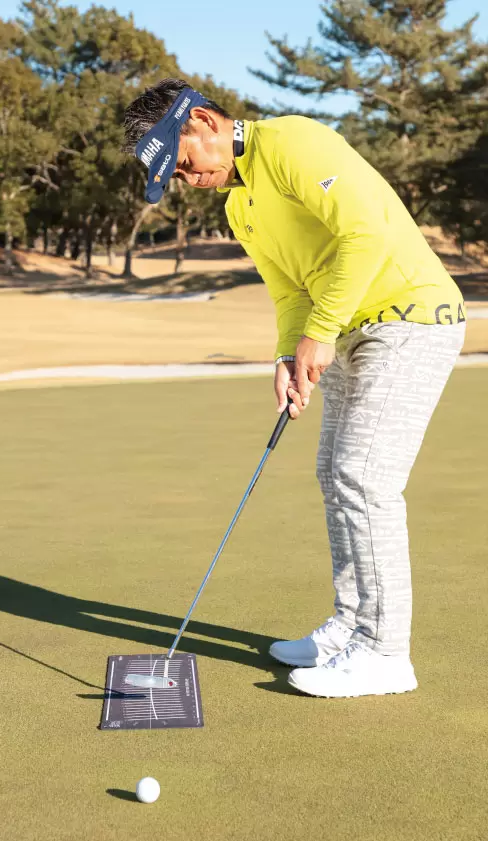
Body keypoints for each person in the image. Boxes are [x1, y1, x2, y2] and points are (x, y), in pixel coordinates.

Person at [123, 79, 466, 698]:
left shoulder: (293, 142)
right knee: (336, 474)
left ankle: (386, 653)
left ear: (202, 121)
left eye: (183, 163)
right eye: (173, 176)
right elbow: (290, 290)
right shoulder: (238, 206)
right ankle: (351, 628)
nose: (185, 178)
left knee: (365, 478)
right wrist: (289, 351)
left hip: (412, 317)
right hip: (354, 328)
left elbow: (366, 234)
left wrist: (321, 332)